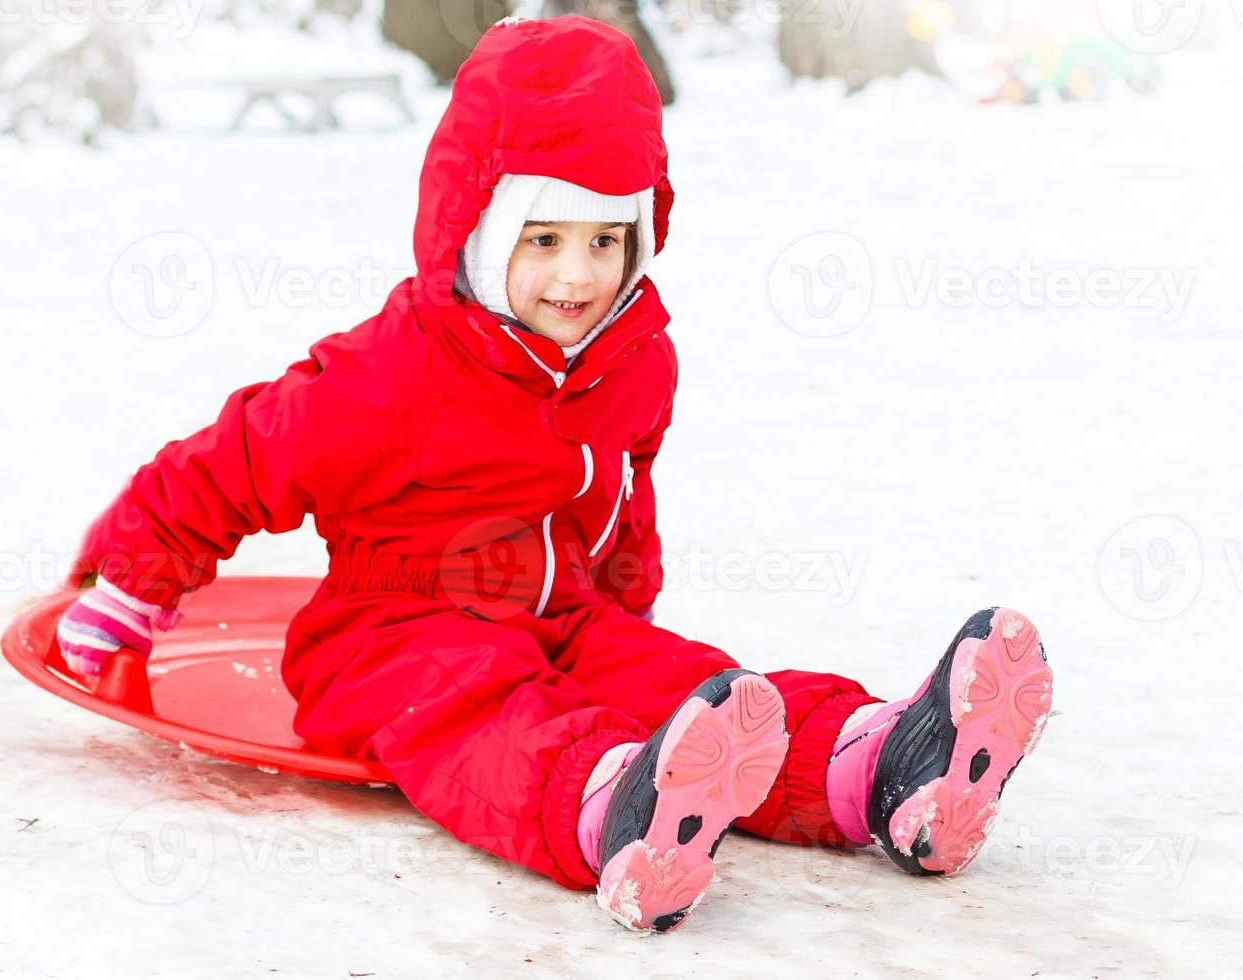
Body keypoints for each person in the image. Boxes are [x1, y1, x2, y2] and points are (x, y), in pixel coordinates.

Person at [51, 16, 1053, 933]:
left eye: (605, 241)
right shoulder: (398, 368)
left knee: (690, 685)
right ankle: (609, 807)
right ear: (478, 233)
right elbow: (239, 458)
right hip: (388, 632)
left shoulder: (631, 359)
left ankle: (881, 764)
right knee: (480, 700)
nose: (577, 277)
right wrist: (129, 578)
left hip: (559, 614)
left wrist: (626, 616)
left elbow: (625, 498)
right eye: (542, 239)